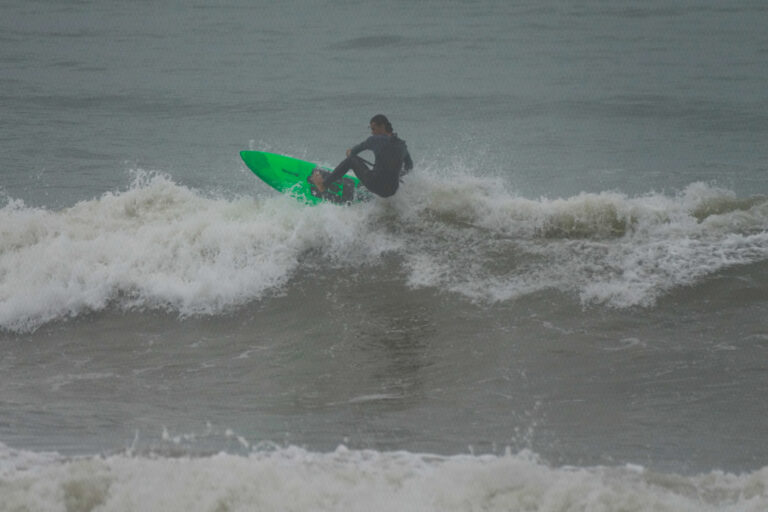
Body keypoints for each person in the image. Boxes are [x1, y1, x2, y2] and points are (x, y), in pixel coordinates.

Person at [309, 114, 413, 200]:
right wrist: (395, 175)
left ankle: (323, 184)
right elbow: (409, 166)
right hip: (392, 190)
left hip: (376, 185)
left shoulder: (375, 140)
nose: (372, 132)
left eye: (373, 129)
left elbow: (353, 152)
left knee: (351, 160)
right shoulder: (402, 145)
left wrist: (350, 152)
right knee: (381, 171)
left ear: (382, 127)